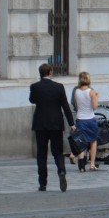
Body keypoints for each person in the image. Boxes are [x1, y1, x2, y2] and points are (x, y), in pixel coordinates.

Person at [29, 62, 73, 192]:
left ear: (40, 73)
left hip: (40, 124)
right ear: (50, 72)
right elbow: (65, 106)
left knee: (41, 154)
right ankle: (61, 171)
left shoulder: (35, 87)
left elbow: (32, 100)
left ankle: (43, 183)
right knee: (57, 152)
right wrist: (72, 123)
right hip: (56, 123)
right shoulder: (59, 87)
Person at [70, 71, 100, 171]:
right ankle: (92, 164)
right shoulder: (92, 92)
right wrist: (97, 97)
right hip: (90, 119)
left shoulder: (76, 91)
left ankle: (82, 166)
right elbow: (95, 107)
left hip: (80, 119)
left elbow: (76, 105)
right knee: (93, 141)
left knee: (81, 142)